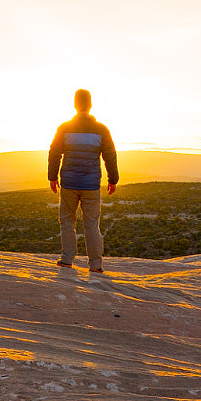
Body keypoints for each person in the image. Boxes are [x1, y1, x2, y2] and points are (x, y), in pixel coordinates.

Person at [48, 89, 118, 273]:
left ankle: (67, 259)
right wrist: (113, 179)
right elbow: (110, 156)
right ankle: (96, 265)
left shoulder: (65, 128)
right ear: (90, 104)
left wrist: (52, 177)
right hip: (91, 185)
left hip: (69, 183)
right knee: (92, 224)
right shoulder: (101, 129)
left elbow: (54, 153)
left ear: (75, 104)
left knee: (67, 222)